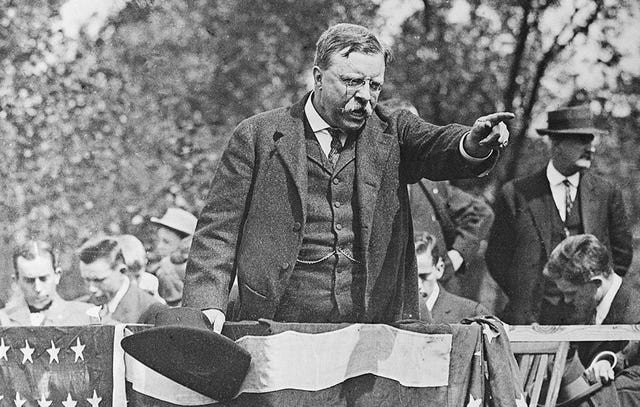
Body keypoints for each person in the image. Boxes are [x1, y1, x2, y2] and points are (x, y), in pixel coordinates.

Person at [183, 23, 513, 332]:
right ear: (318, 77)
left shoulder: (393, 132)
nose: (366, 96)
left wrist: (471, 143)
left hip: (370, 331)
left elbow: (436, 143)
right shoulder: (258, 137)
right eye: (352, 81)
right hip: (275, 326)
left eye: (375, 85)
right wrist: (207, 308)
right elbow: (218, 231)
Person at [486, 105, 633, 325]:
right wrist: (524, 295)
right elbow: (497, 258)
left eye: (591, 139)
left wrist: (589, 295)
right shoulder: (516, 194)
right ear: (555, 144)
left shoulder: (606, 193)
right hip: (531, 320)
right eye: (581, 140)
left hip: (586, 320)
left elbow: (621, 255)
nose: (591, 147)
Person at [380, 98, 495, 301]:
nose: (412, 139)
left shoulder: (428, 183)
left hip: (438, 291)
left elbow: (480, 213)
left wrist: (457, 255)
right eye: (403, 131)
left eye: (417, 129)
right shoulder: (370, 186)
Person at [543, 234, 640, 406]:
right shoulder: (584, 307)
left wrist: (607, 362)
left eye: (571, 293)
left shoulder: (636, 313)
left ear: (596, 284)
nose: (566, 301)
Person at [0, 240, 93, 326]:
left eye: (43, 279)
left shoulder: (86, 316)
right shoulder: (4, 319)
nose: (38, 288)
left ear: (57, 275)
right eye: (29, 280)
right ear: (16, 280)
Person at [79, 236, 159, 323]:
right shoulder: (79, 307)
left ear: (122, 271)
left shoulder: (152, 312)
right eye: (87, 280)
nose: (92, 288)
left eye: (99, 280)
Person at [415, 233, 489, 324]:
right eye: (410, 278)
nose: (417, 285)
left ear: (439, 269)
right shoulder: (398, 312)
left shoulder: (473, 313)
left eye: (424, 276)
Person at [117, 234, 165, 304]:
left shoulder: (150, 283)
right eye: (128, 277)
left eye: (137, 276)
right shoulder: (110, 288)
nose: (134, 283)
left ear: (145, 262)